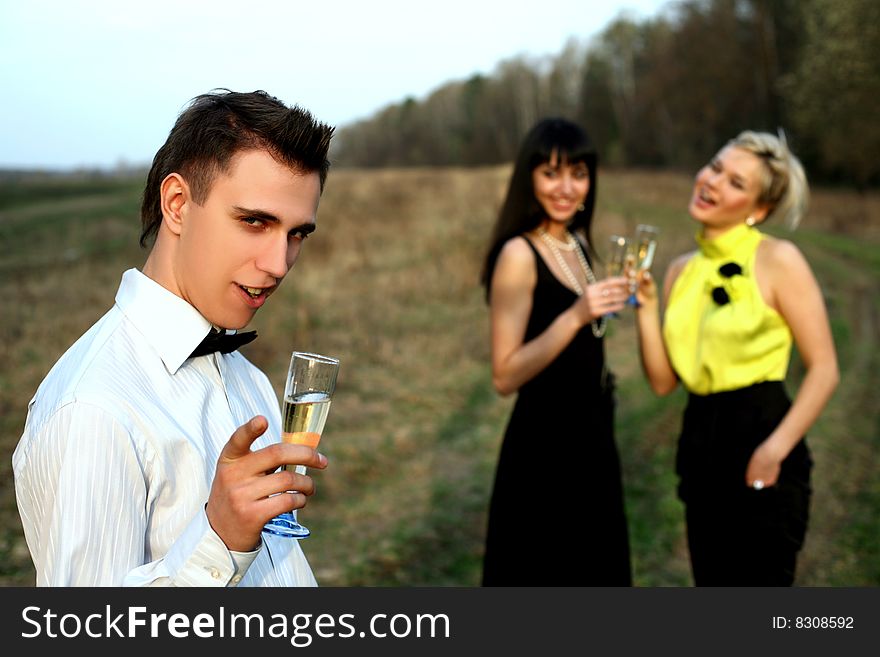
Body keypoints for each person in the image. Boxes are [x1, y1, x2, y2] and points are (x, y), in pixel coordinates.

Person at [12, 89, 335, 586]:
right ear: (178, 204)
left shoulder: (246, 377)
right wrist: (219, 541)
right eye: (255, 221)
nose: (278, 264)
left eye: (297, 234)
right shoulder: (94, 410)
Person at [634, 130, 839, 586]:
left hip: (761, 443)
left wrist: (773, 450)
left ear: (759, 210)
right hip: (699, 451)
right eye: (715, 167)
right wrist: (646, 309)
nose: (712, 182)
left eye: (736, 183)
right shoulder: (678, 271)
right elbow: (665, 383)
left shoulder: (779, 259)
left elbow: (824, 369)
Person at [480, 118, 632, 586]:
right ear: (530, 177)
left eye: (579, 173)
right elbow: (504, 376)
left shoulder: (580, 243)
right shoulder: (519, 255)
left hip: (592, 436)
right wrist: (576, 315)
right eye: (551, 173)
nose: (566, 188)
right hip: (545, 447)